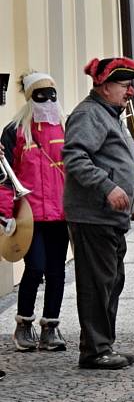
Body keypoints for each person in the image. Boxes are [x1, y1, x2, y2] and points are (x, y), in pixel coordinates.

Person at [63, 56, 134, 370]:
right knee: (97, 282)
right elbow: (74, 157)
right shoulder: (90, 114)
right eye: (126, 86)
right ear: (104, 86)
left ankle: (102, 345)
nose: (130, 93)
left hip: (108, 217)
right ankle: (95, 349)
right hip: (93, 214)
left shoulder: (109, 114)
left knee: (111, 281)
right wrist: (108, 187)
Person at [1, 72, 69, 352]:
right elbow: (4, 175)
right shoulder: (15, 130)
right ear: (30, 98)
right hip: (29, 215)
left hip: (60, 214)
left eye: (52, 94)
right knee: (36, 267)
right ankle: (24, 322)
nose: (48, 100)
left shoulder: (66, 127)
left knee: (57, 272)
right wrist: (5, 212)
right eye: (41, 95)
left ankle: (51, 325)